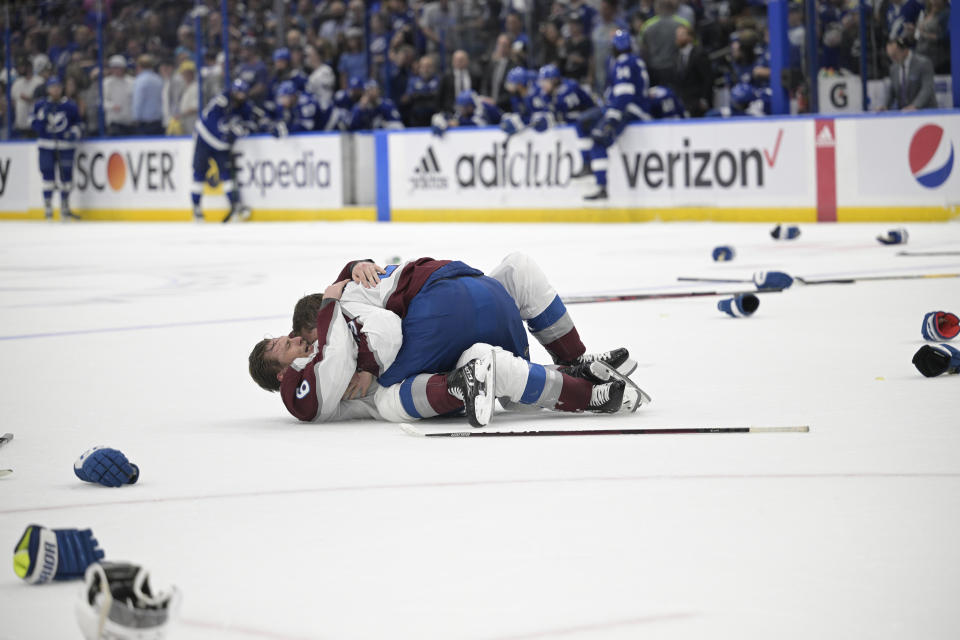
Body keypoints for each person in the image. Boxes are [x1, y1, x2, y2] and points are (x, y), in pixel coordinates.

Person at [249, 254, 642, 425]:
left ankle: (579, 393)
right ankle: (572, 361)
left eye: (299, 339)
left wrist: (367, 367)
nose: (295, 342)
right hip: (472, 281)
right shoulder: (354, 279)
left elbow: (384, 331)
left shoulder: (340, 311)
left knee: (390, 394)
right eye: (284, 344)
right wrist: (352, 267)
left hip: (438, 314)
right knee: (518, 268)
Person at [573, 30, 651, 201]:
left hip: (628, 110)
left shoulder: (625, 63)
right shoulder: (627, 61)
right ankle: (587, 164)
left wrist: (611, 118)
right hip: (618, 106)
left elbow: (624, 95)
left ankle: (602, 186)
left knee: (599, 138)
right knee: (582, 122)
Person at [191, 78, 258, 223]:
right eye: (237, 93)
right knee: (199, 173)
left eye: (242, 93)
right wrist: (228, 132)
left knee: (227, 174)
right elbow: (212, 121)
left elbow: (250, 124)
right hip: (205, 139)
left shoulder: (245, 106)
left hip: (222, 146)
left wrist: (242, 129)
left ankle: (235, 205)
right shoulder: (222, 99)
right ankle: (196, 209)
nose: (240, 96)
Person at [31, 76, 81, 221]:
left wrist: (73, 133)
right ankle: (48, 208)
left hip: (66, 147)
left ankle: (64, 206)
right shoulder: (40, 105)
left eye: (58, 87)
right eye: (52, 87)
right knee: (48, 178)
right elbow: (32, 123)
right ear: (48, 89)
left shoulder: (70, 106)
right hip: (46, 146)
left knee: (66, 177)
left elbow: (78, 123)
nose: (55, 90)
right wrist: (41, 120)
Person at [886, 32, 938, 111]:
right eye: (890, 56)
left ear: (905, 50)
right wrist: (884, 106)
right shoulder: (893, 68)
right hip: (904, 115)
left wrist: (915, 106)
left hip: (925, 113)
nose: (892, 59)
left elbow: (927, 88)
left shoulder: (923, 63)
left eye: (894, 55)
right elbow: (891, 91)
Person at [672, 24, 713, 117]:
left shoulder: (699, 54)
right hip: (683, 100)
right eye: (677, 35)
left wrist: (704, 99)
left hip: (697, 101)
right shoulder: (676, 55)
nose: (678, 38)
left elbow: (708, 78)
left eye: (681, 35)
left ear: (690, 37)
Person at [102, 55, 134, 136]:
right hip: (114, 123)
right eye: (114, 68)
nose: (116, 70)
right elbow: (102, 101)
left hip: (129, 123)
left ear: (123, 68)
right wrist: (112, 106)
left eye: (118, 67)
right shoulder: (106, 83)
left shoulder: (132, 82)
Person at [131, 55, 164, 135]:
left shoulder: (140, 80)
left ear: (139, 66)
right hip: (158, 121)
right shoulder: (159, 79)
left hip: (144, 123)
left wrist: (135, 118)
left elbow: (138, 100)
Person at [11, 58, 43, 138]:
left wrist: (30, 99)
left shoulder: (39, 81)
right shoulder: (17, 83)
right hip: (20, 124)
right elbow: (13, 101)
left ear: (29, 67)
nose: (19, 69)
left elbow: (44, 101)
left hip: (36, 124)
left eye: (21, 67)